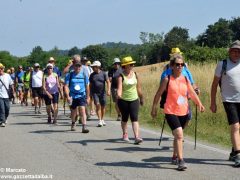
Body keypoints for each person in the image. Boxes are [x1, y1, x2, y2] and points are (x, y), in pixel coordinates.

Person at [151, 55, 205, 171]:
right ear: (172, 66)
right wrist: (154, 107)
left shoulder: (185, 79)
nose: (180, 66)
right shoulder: (167, 79)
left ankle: (174, 155)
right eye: (177, 64)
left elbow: (192, 93)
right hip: (170, 111)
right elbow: (158, 94)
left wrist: (199, 103)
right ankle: (181, 160)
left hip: (183, 111)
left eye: (182, 65)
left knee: (177, 135)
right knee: (179, 134)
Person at [210, 40, 240, 167]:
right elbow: (215, 84)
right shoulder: (222, 64)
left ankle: (233, 151)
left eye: (238, 51)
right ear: (229, 52)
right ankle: (238, 155)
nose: (236, 53)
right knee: (235, 126)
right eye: (234, 51)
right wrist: (213, 102)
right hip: (228, 100)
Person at [117, 56, 144, 145]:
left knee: (134, 118)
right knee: (125, 118)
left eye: (133, 64)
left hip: (134, 99)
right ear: (125, 66)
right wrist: (119, 94)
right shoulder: (121, 76)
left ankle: (136, 137)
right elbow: (119, 88)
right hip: (123, 100)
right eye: (130, 64)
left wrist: (141, 98)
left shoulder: (136, 74)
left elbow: (139, 88)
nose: (132, 65)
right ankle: (125, 134)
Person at [64, 62, 90, 133]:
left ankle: (84, 126)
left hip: (82, 95)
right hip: (72, 95)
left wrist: (88, 97)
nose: (78, 68)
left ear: (81, 67)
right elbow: (66, 86)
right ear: (73, 67)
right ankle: (73, 122)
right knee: (73, 111)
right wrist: (68, 96)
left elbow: (87, 86)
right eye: (76, 66)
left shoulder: (84, 75)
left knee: (82, 109)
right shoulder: (70, 75)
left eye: (79, 66)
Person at [89, 61, 110, 127]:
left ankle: (102, 118)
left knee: (103, 106)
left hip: (102, 93)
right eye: (92, 67)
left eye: (94, 67)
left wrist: (109, 90)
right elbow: (90, 84)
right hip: (95, 93)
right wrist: (90, 93)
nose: (92, 68)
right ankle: (100, 120)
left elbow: (108, 82)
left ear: (98, 67)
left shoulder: (104, 74)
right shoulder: (92, 75)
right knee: (98, 105)